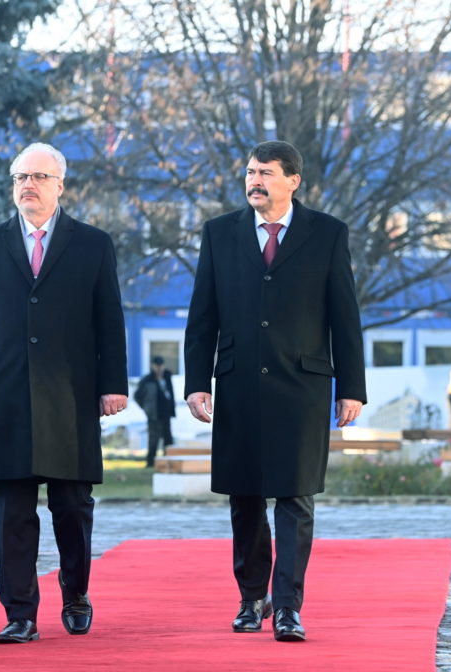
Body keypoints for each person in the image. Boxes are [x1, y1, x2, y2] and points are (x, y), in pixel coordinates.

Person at [183, 140, 366, 642]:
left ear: (293, 180)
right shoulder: (219, 234)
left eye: (265, 172)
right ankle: (251, 598)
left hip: (303, 387)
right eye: (249, 172)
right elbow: (203, 316)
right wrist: (197, 382)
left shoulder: (327, 234)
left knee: (294, 498)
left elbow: (344, 317)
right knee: (243, 498)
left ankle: (288, 606)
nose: (254, 180)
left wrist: (352, 388)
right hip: (238, 383)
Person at [0, 142, 128, 644]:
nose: (27, 185)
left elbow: (109, 321)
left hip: (70, 394)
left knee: (72, 507)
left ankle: (75, 593)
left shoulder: (93, 244)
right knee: (13, 510)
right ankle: (20, 613)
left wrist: (113, 385)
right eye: (19, 177)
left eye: (38, 177)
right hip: (6, 393)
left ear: (60, 185)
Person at [133, 356, 176, 467]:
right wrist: (146, 408)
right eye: (157, 366)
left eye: (161, 365)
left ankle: (169, 462)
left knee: (168, 439)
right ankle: (150, 462)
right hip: (153, 415)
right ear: (153, 366)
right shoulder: (147, 380)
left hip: (166, 414)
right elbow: (137, 396)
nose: (159, 368)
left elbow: (170, 394)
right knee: (153, 440)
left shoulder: (167, 377)